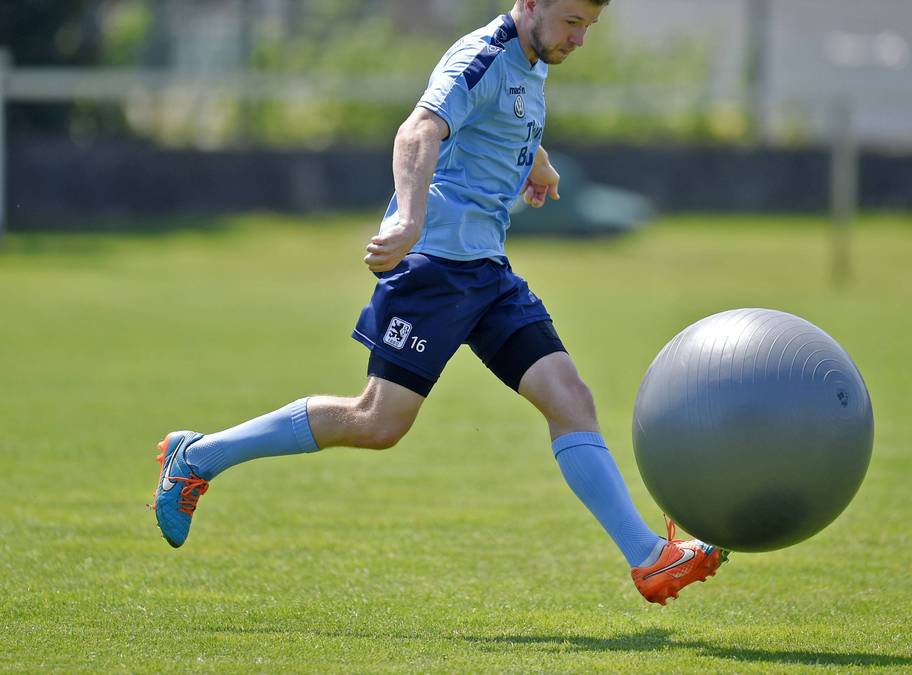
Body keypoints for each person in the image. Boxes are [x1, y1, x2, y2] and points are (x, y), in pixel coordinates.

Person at [150, 0, 725, 605]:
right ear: (529, 4)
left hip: (488, 273)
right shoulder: (480, 58)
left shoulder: (533, 57)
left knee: (570, 399)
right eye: (572, 22)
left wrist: (541, 165)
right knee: (377, 422)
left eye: (589, 26)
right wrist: (408, 221)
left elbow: (504, 122)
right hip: (433, 271)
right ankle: (199, 455)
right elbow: (418, 130)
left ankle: (648, 559)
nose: (579, 39)